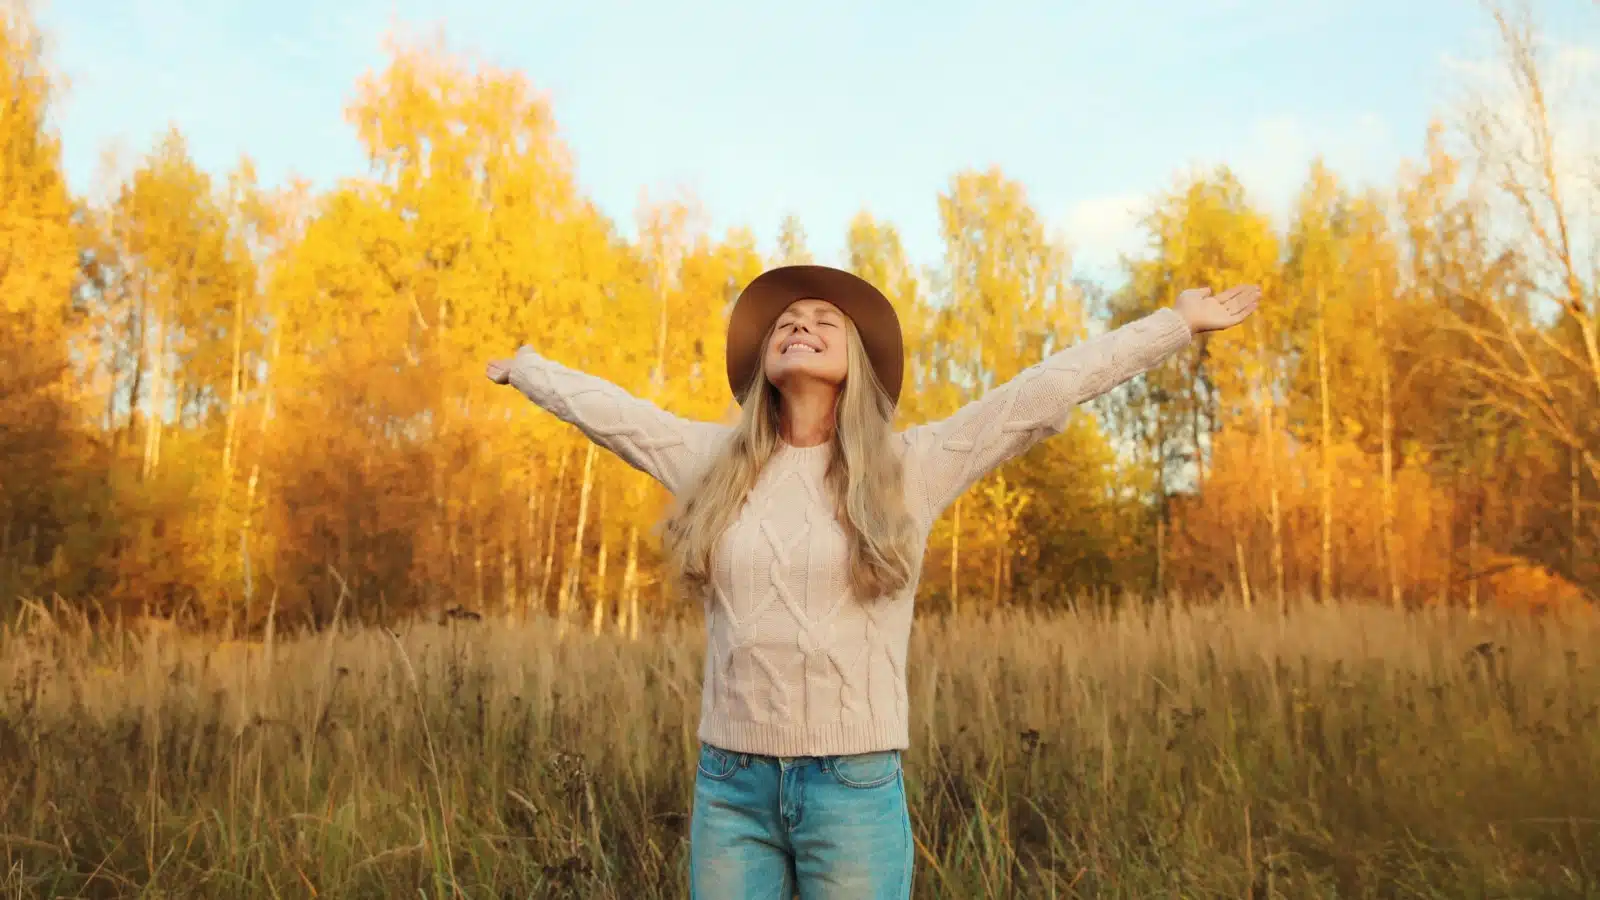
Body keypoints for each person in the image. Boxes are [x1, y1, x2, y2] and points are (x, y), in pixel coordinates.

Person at [485, 265, 1260, 899]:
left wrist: (1174, 324)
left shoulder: (911, 467)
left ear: (855, 357)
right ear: (764, 363)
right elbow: (618, 417)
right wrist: (529, 370)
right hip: (730, 786)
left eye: (823, 320)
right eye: (786, 321)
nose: (799, 325)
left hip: (851, 791)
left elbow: (1043, 391)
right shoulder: (713, 462)